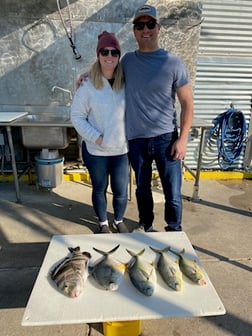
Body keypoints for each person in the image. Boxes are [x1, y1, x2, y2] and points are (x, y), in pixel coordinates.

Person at [78, 5, 194, 233]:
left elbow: (187, 103)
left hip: (166, 139)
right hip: (136, 141)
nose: (145, 30)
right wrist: (84, 77)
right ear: (134, 31)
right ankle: (146, 226)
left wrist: (182, 139)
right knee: (142, 189)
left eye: (150, 24)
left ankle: (174, 230)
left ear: (158, 28)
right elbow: (105, 66)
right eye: (140, 25)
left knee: (172, 191)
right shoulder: (128, 62)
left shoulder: (174, 63)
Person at [71, 31, 129, 234]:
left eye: (114, 52)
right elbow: (77, 117)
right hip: (97, 150)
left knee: (121, 191)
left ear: (119, 55)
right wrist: (97, 137)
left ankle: (119, 220)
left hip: (121, 149)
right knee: (99, 188)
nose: (109, 56)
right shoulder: (87, 85)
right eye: (105, 51)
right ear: (98, 54)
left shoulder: (127, 81)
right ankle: (103, 223)